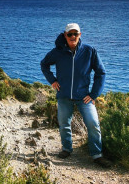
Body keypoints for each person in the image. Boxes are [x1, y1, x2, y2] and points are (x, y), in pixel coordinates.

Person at [40, 23, 111, 168]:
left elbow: (101, 73)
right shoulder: (58, 52)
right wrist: (52, 80)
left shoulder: (89, 51)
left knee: (93, 124)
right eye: (70, 34)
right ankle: (67, 149)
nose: (73, 37)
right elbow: (44, 64)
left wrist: (94, 94)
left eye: (75, 34)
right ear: (65, 36)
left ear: (80, 35)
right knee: (64, 124)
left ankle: (97, 155)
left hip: (84, 97)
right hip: (64, 96)